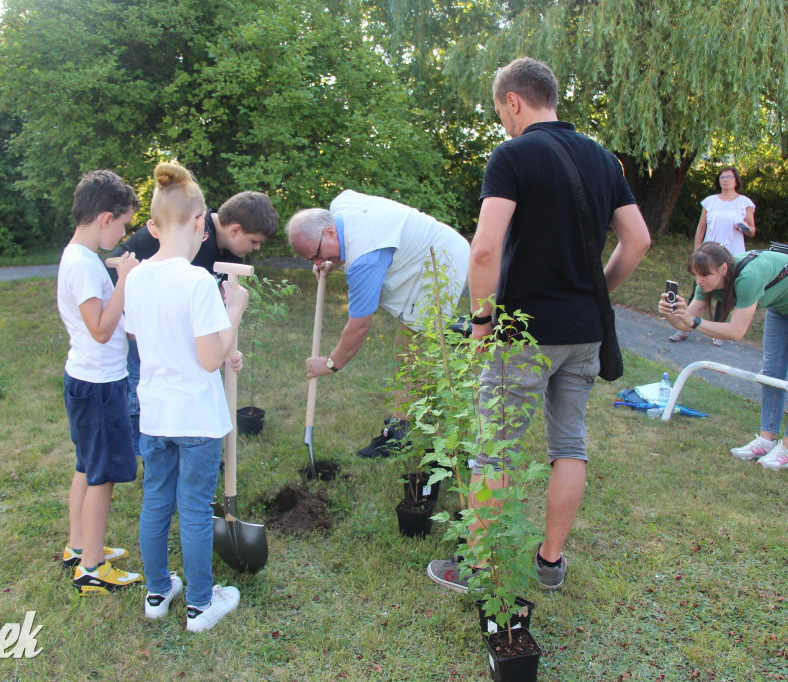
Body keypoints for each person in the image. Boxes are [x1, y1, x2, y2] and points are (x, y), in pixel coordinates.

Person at [426, 57, 651, 593]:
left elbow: (484, 249)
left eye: (500, 111)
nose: (503, 122)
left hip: (522, 333)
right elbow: (637, 240)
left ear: (513, 101)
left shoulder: (513, 155)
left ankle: (478, 566)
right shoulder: (602, 159)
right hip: (584, 332)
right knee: (569, 445)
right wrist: (594, 293)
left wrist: (481, 323)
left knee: (494, 450)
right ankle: (550, 562)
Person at [123, 162, 249, 633]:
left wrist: (222, 346)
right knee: (194, 507)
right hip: (195, 418)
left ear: (155, 226)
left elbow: (141, 333)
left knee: (156, 501)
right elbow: (206, 359)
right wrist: (232, 309)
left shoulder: (136, 278)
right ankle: (199, 604)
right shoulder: (197, 281)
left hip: (155, 414)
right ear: (200, 222)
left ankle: (158, 592)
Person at [287, 190, 470, 458]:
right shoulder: (341, 207)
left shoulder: (365, 258)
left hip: (441, 260)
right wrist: (330, 260)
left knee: (410, 348)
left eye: (316, 255)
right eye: (311, 260)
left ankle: (400, 434)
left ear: (328, 232)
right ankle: (452, 330)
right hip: (428, 248)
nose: (317, 263)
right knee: (410, 343)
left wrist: (329, 363)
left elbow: (359, 326)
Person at [109, 192, 279, 461]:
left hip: (190, 347)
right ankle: (157, 458)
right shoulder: (188, 232)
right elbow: (115, 267)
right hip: (151, 340)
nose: (256, 249)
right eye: (255, 241)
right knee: (155, 403)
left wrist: (221, 351)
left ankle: (191, 455)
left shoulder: (228, 253)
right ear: (235, 230)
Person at [659, 242, 788, 470]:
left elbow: (736, 332)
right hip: (781, 306)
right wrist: (671, 313)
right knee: (771, 372)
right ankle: (766, 440)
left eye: (704, 275)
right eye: (695, 275)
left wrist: (692, 321)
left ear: (722, 269)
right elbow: (687, 323)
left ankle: (787, 450)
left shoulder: (748, 277)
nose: (699, 280)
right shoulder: (705, 280)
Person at [56, 169, 143, 595]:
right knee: (102, 475)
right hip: (99, 385)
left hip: (85, 378)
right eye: (124, 222)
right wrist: (126, 280)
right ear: (105, 218)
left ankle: (79, 546)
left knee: (86, 465)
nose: (125, 231)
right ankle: (91, 568)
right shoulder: (86, 266)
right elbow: (100, 328)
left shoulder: (78, 257)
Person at [670, 166, 756, 345]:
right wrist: (697, 251)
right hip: (708, 254)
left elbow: (752, 230)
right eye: (722, 177)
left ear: (736, 180)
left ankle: (719, 330)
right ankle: (684, 328)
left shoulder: (744, 202)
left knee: (725, 293)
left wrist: (743, 227)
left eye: (729, 177)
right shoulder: (710, 201)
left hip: (733, 254)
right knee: (700, 288)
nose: (725, 180)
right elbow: (701, 227)